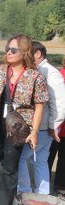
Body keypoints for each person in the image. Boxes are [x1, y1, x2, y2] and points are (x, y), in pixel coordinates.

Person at [0, 35, 48, 205]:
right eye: (7, 49)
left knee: (10, 168)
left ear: (25, 52)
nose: (9, 52)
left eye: (13, 50)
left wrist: (34, 132)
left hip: (18, 127)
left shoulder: (36, 76)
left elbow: (39, 107)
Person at [17, 41, 65, 195]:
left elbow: (60, 104)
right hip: (43, 128)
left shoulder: (49, 73)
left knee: (20, 158)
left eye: (27, 52)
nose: (24, 56)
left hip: (43, 129)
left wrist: (53, 126)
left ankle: (24, 192)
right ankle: (42, 195)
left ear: (37, 54)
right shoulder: (41, 70)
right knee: (40, 162)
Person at [48, 56, 65, 195]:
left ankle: (54, 185)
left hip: (58, 126)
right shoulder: (58, 76)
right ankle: (56, 185)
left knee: (55, 158)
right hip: (57, 126)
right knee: (52, 157)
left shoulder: (57, 74)